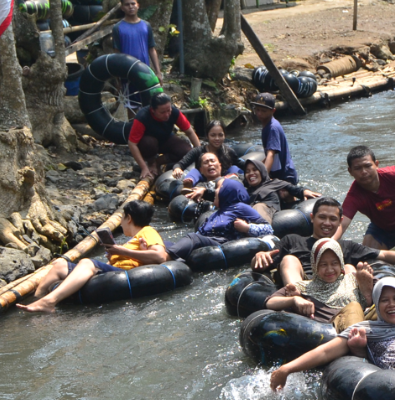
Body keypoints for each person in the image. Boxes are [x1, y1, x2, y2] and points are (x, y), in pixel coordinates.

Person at [19, 201, 167, 313]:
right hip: (115, 271)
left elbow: (160, 256)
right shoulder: (134, 238)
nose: (121, 223)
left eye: (122, 217)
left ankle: (50, 301)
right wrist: (114, 255)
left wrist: (122, 252)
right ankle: (36, 301)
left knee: (87, 262)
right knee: (59, 265)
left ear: (128, 218)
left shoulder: (148, 231)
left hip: (125, 276)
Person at [252, 196, 395, 286]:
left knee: (349, 267)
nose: (327, 223)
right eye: (322, 218)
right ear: (312, 218)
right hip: (304, 286)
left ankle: (360, 297)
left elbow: (382, 254)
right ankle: (295, 292)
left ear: (340, 222)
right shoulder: (293, 240)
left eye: (333, 219)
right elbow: (264, 261)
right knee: (289, 259)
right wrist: (259, 255)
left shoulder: (345, 246)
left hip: (336, 289)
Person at [265, 238, 373, 330]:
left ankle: (366, 298)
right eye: (323, 265)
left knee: (381, 306)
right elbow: (270, 302)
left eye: (334, 263)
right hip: (333, 327)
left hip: (364, 319)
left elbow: (386, 291)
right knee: (354, 307)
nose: (329, 269)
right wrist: (294, 300)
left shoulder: (354, 278)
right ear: (314, 266)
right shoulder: (304, 287)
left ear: (341, 263)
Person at [163, 178, 269, 261]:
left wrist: (247, 228)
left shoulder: (240, 207)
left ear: (227, 192)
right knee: (166, 243)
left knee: (193, 237)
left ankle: (166, 256)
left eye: (219, 188)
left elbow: (268, 228)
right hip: (206, 241)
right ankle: (163, 252)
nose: (216, 190)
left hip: (222, 243)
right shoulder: (218, 212)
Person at [127, 93, 200, 180]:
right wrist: (144, 168)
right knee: (149, 143)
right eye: (162, 112)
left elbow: (190, 132)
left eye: (168, 110)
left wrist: (199, 153)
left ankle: (157, 162)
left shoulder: (174, 112)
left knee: (187, 151)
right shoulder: (142, 117)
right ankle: (150, 163)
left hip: (166, 138)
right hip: (148, 144)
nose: (167, 115)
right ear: (153, 110)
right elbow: (132, 144)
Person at [243, 158, 319, 221]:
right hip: (251, 214)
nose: (251, 173)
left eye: (254, 170)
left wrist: (304, 191)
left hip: (269, 210)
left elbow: (293, 188)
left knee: (258, 206)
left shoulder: (274, 183)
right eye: (247, 171)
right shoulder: (245, 192)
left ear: (262, 171)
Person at [250, 93, 298, 184]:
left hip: (285, 175)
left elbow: (271, 154)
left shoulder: (272, 128)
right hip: (279, 173)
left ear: (273, 111)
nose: (259, 113)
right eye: (257, 110)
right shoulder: (268, 125)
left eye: (263, 111)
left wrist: (264, 179)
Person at [171, 120, 242, 181]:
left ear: (224, 136)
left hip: (223, 182)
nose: (217, 138)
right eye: (213, 135)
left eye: (220, 135)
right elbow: (180, 164)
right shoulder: (198, 151)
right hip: (203, 182)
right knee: (195, 172)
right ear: (207, 136)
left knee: (234, 168)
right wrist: (177, 169)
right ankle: (188, 184)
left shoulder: (228, 151)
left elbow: (240, 164)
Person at [113, 0, 160, 75]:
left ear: (138, 5)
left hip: (145, 71)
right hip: (126, 72)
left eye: (133, 4)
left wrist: (158, 72)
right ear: (122, 7)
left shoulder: (146, 25)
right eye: (127, 4)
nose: (130, 7)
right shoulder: (118, 27)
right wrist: (117, 76)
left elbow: (152, 49)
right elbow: (117, 53)